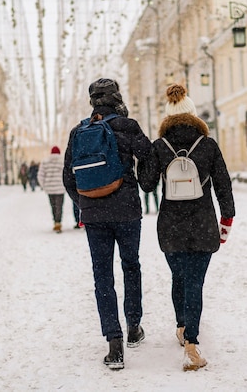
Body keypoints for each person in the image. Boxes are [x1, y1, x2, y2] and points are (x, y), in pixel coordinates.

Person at [137, 84, 235, 371]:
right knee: (195, 281)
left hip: (170, 225)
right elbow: (223, 186)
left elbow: (146, 185)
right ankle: (191, 343)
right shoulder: (208, 145)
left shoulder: (159, 147)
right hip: (203, 222)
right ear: (194, 115)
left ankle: (182, 326)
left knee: (179, 277)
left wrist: (145, 160)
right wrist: (226, 220)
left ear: (167, 117)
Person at [63, 78, 152, 370]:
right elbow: (149, 157)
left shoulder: (79, 131)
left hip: (94, 215)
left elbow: (69, 176)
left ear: (92, 101)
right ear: (117, 98)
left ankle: (114, 344)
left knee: (102, 275)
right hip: (127, 209)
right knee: (131, 266)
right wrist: (144, 185)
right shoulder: (128, 126)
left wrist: (85, 202)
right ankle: (134, 327)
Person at [37, 146, 65, 233]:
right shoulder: (62, 161)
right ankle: (58, 222)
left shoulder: (45, 162)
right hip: (60, 187)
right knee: (59, 206)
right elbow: (66, 174)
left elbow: (40, 175)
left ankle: (55, 222)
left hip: (50, 188)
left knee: (53, 205)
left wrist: (44, 186)